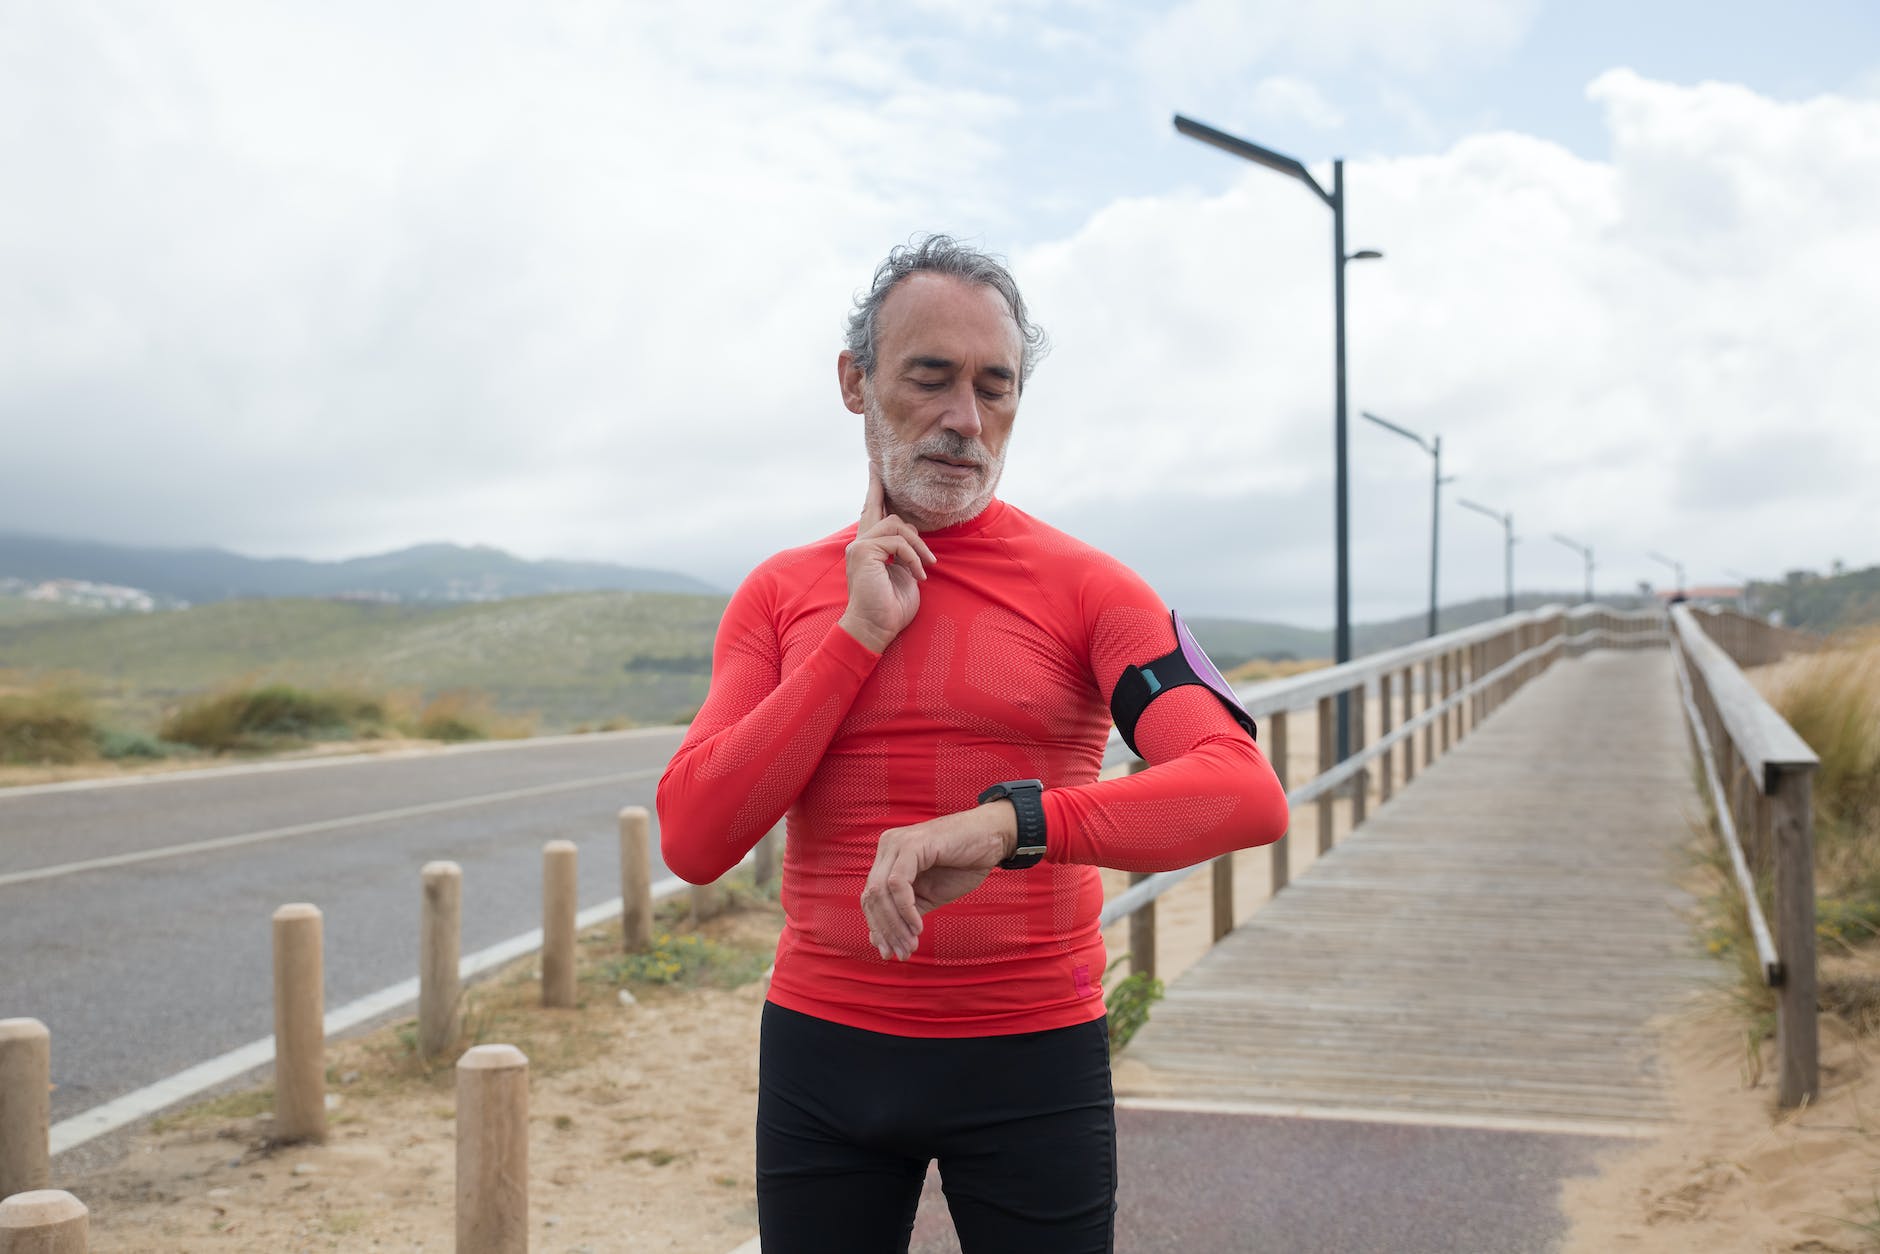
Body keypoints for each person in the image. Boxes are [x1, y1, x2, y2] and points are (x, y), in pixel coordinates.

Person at [656, 234, 1289, 1253]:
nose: (965, 420)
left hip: (1031, 1056)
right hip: (824, 1052)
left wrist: (1010, 824)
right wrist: (857, 637)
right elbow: (692, 837)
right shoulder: (780, 594)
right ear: (854, 382)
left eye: (995, 389)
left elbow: (1240, 791)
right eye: (931, 378)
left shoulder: (1091, 588)